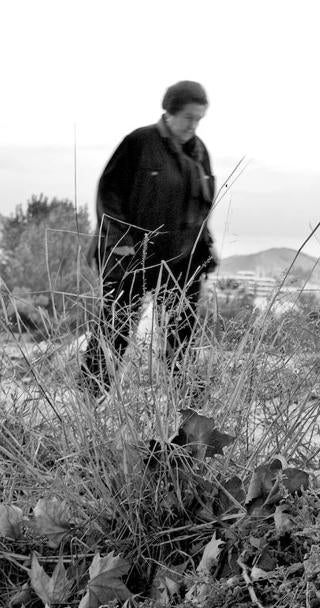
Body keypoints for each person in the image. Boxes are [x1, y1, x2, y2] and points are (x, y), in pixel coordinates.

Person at [81, 80, 217, 398]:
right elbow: (108, 195)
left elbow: (201, 206)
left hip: (181, 259)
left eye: (199, 119)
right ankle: (89, 399)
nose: (193, 125)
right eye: (188, 118)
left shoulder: (199, 152)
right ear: (168, 113)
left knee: (181, 333)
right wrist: (122, 242)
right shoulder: (139, 142)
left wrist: (206, 250)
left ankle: (181, 408)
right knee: (115, 328)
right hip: (132, 256)